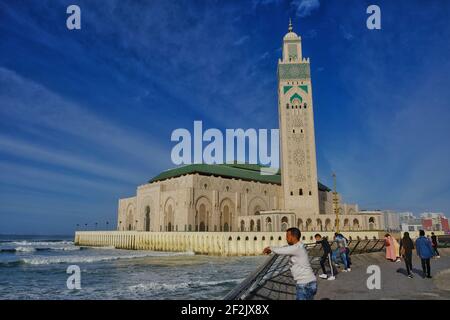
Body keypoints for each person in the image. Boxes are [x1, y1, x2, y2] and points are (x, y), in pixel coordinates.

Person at [263, 228, 317, 300]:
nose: (286, 238)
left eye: (287, 236)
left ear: (293, 237)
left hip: (304, 284)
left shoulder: (297, 248)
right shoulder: (299, 246)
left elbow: (282, 250)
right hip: (310, 282)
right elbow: (286, 248)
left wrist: (270, 248)